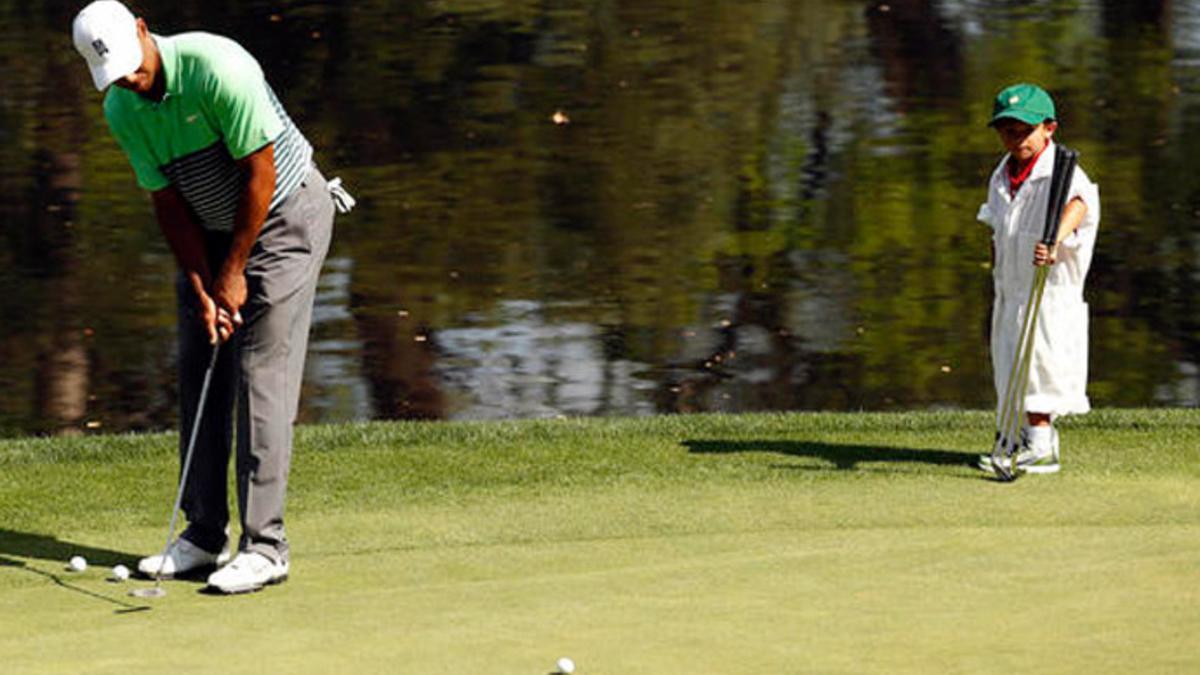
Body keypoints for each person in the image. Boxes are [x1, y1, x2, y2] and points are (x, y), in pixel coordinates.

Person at [71, 0, 353, 593]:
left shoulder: (219, 66)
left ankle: (266, 546)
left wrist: (234, 271)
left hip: (284, 216)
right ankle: (203, 534)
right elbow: (168, 204)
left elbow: (261, 173)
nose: (129, 80)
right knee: (200, 362)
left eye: (133, 66)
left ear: (144, 30)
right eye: (115, 75)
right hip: (210, 228)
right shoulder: (122, 109)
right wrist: (204, 284)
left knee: (258, 369)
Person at [976, 83, 1100, 475]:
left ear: (1049, 128)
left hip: (1050, 289)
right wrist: (995, 265)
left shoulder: (1062, 171)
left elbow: (1080, 206)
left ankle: (1043, 446)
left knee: (1040, 367)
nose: (1016, 139)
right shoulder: (1001, 175)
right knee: (1008, 362)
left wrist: (1055, 240)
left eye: (1024, 130)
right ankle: (1014, 438)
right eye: (1007, 130)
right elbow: (995, 225)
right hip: (1010, 287)